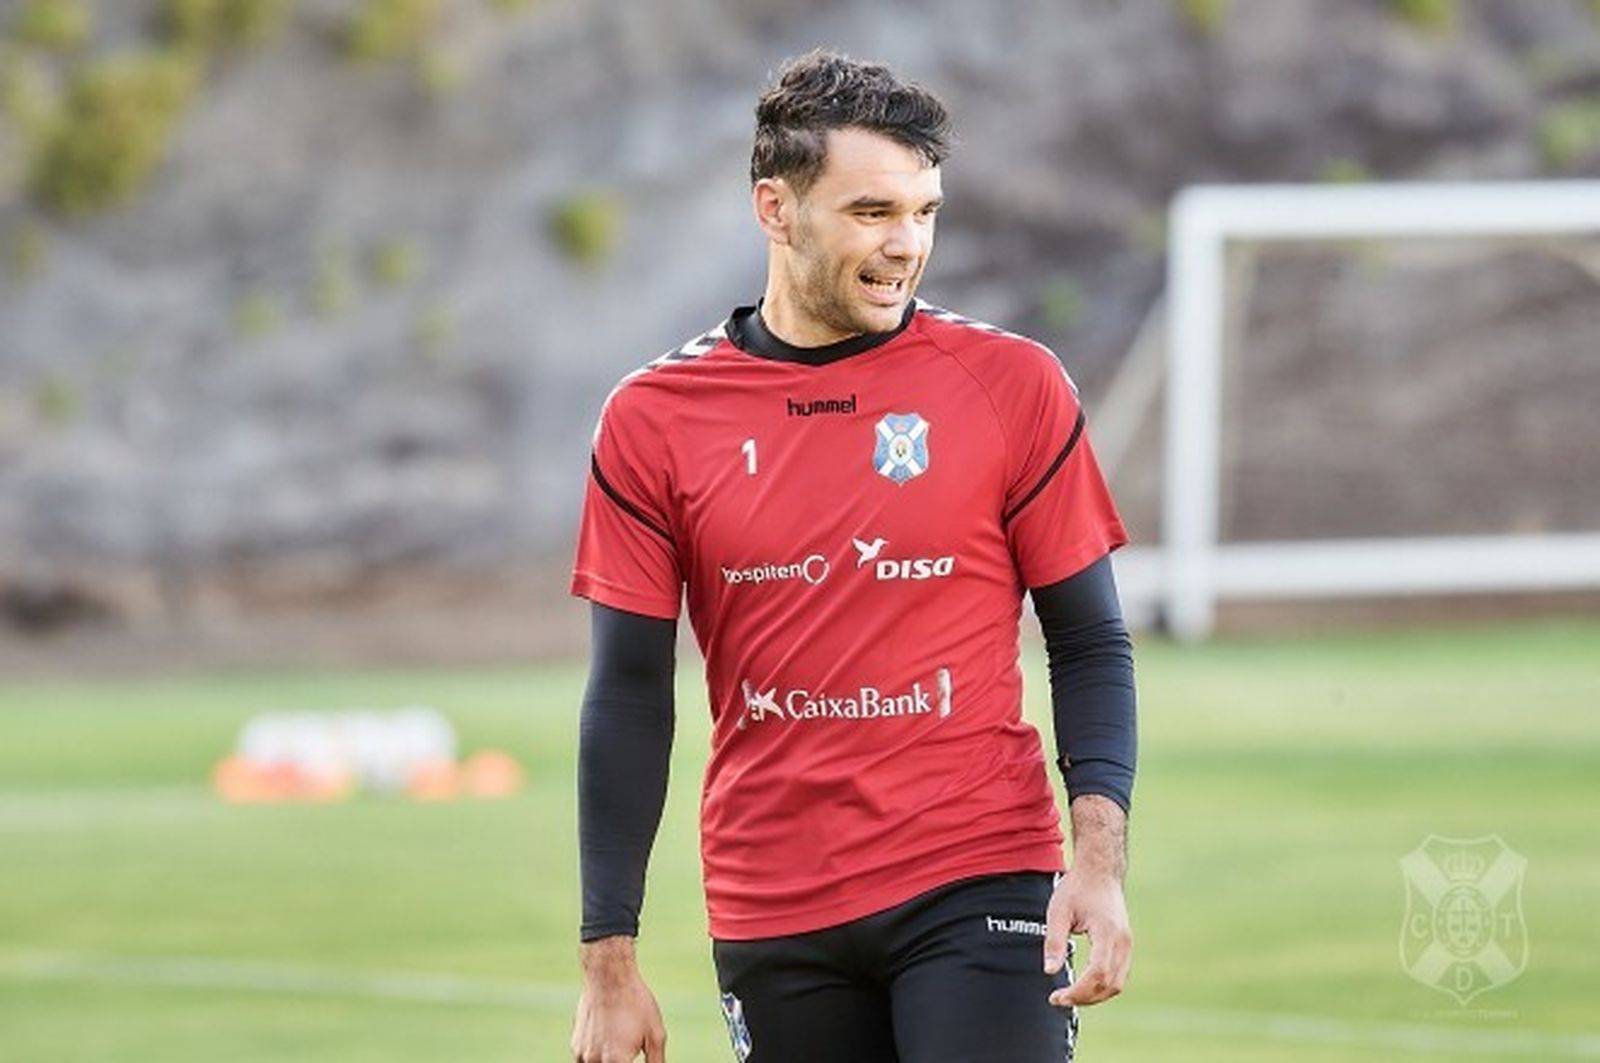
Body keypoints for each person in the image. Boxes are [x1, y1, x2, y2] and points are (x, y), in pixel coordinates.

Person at [569, 49, 1136, 1063]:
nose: (905, 244)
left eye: (924, 212)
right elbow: (626, 694)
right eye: (871, 212)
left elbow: (1089, 641)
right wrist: (608, 959)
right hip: (771, 899)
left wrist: (1097, 857)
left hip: (980, 869)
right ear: (774, 209)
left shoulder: (1010, 386)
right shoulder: (653, 419)